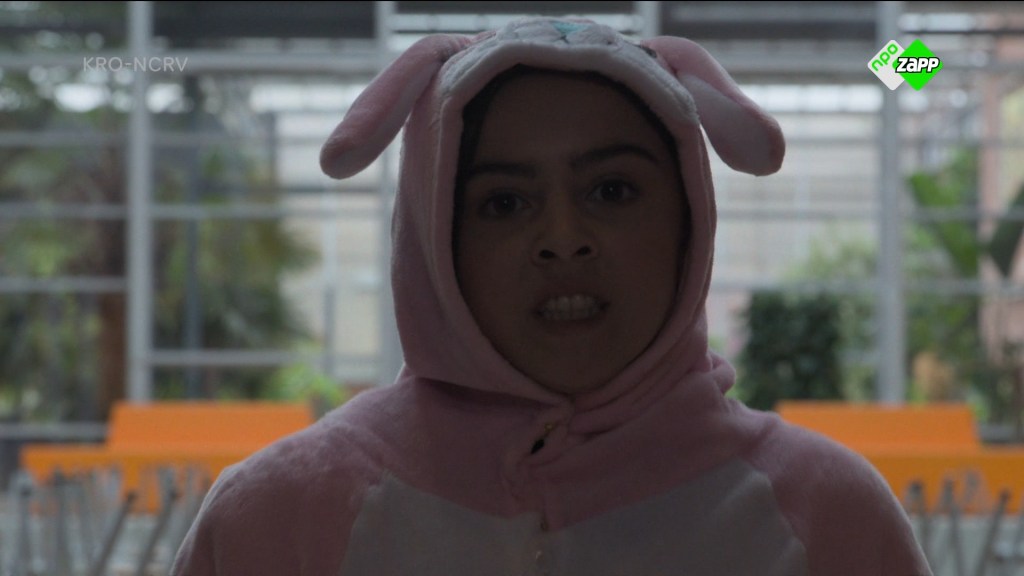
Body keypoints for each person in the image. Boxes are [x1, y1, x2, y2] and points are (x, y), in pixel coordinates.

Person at [171, 17, 932, 575]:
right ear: (435, 239)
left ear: (689, 220)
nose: (563, 239)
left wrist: (911, 58)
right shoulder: (277, 519)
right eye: (503, 203)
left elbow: (908, 59)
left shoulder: (829, 517)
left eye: (612, 190)